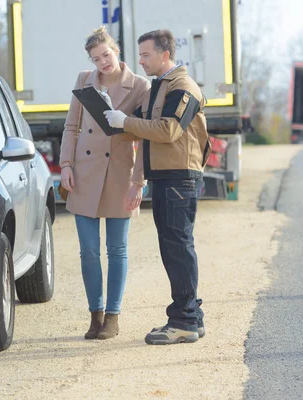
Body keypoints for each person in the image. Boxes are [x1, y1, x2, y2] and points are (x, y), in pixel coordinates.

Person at [104, 29, 210, 345]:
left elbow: (167, 130)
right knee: (174, 248)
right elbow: (140, 127)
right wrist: (111, 116)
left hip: (180, 179)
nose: (140, 60)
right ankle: (191, 316)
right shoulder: (158, 89)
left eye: (146, 54)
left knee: (178, 249)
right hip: (166, 178)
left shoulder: (183, 87)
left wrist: (124, 122)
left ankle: (184, 321)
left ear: (165, 55)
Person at [59, 26, 151, 340]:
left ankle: (112, 317)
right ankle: (94, 315)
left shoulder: (139, 86)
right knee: (87, 251)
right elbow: (71, 128)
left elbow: (145, 137)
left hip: (119, 174)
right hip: (84, 173)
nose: (102, 62)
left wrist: (138, 182)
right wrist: (66, 166)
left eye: (106, 55)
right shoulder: (84, 80)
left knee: (117, 250)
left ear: (116, 51)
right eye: (96, 58)